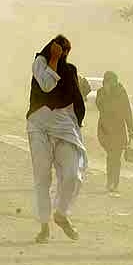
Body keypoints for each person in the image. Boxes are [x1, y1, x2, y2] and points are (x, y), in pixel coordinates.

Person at [26, 34, 87, 244]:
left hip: (63, 126)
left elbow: (77, 99)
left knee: (72, 174)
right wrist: (52, 59)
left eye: (65, 52)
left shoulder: (70, 70)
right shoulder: (40, 63)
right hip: (38, 125)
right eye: (61, 51)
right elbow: (46, 86)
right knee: (42, 177)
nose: (63, 56)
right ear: (53, 49)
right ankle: (44, 226)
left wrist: (77, 123)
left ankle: (61, 213)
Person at [95, 71, 133, 196]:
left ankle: (114, 183)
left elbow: (127, 109)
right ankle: (110, 181)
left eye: (112, 81)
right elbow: (100, 106)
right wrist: (106, 93)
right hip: (105, 129)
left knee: (115, 157)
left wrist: (131, 128)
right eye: (108, 82)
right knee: (111, 155)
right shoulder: (101, 92)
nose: (110, 84)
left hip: (118, 129)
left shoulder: (121, 92)